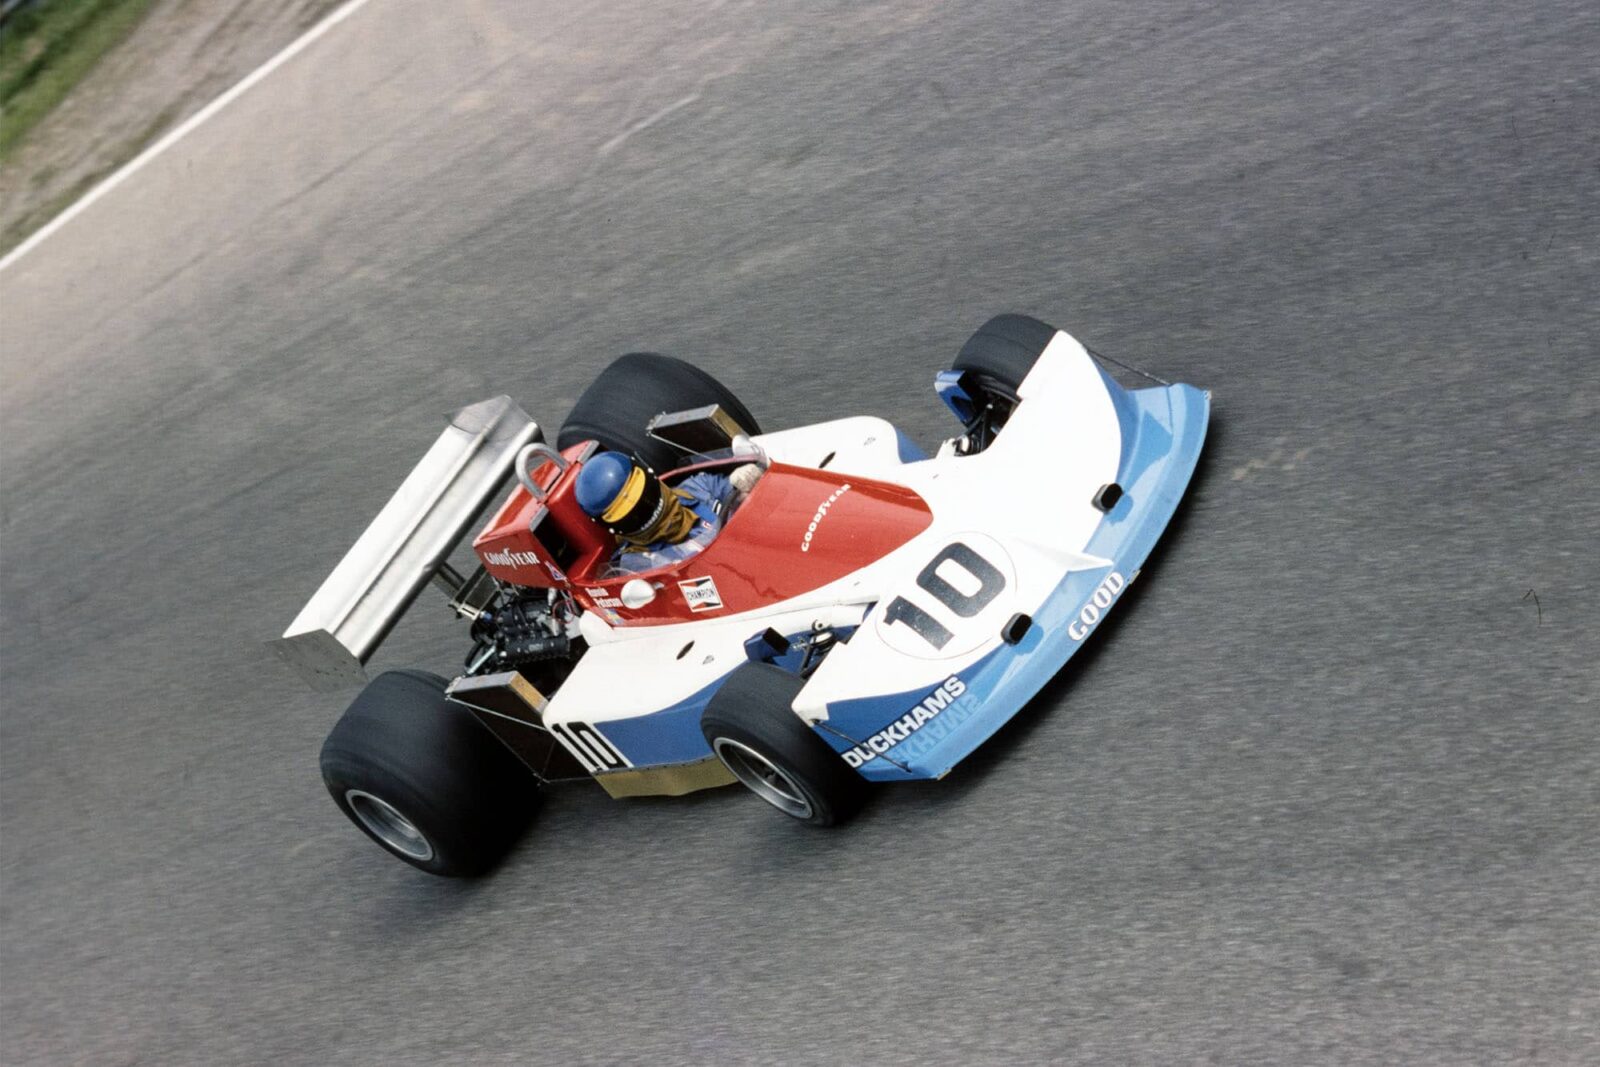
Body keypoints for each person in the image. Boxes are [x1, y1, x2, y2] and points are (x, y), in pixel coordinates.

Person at [574, 450, 760, 575]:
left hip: (759, 552)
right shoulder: (635, 565)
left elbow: (738, 490)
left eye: (646, 496)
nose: (649, 509)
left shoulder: (697, 487)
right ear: (614, 527)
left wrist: (747, 477)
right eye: (634, 513)